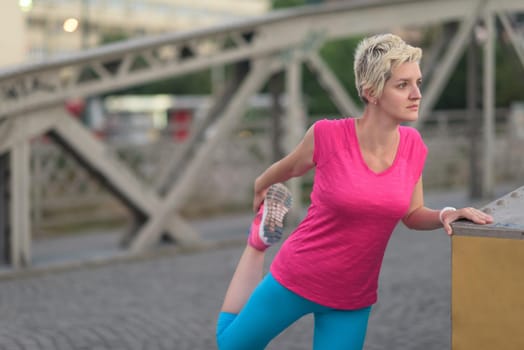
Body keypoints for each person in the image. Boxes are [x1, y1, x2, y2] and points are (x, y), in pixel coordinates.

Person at [215, 33, 493, 350]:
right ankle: (257, 244)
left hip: (352, 298)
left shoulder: (414, 146)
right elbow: (287, 169)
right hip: (298, 275)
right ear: (371, 92)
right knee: (232, 346)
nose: (417, 94)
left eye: (418, 82)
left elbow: (412, 214)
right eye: (403, 85)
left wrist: (448, 214)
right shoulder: (327, 135)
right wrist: (260, 188)